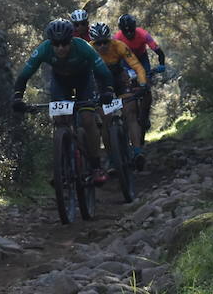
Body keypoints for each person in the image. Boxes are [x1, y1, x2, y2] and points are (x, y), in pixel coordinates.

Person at [11, 18, 115, 185]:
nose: (60, 48)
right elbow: (24, 75)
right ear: (51, 42)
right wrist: (17, 96)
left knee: (88, 120)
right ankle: (63, 166)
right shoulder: (44, 49)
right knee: (60, 121)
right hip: (60, 83)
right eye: (56, 44)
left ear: (71, 40)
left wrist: (108, 91)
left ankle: (96, 167)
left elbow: (104, 72)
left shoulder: (83, 47)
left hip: (84, 81)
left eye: (65, 43)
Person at [89, 21, 148, 169]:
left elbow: (137, 66)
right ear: (93, 43)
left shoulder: (119, 46)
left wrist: (142, 84)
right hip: (100, 83)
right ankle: (112, 158)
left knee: (131, 112)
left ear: (110, 39)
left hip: (119, 80)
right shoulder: (88, 50)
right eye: (98, 43)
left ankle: (137, 152)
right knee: (105, 120)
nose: (102, 46)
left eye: (105, 42)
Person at [115, 13, 166, 133]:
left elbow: (159, 51)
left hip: (142, 58)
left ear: (135, 28)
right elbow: (114, 56)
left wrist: (161, 65)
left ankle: (145, 113)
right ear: (121, 30)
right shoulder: (117, 38)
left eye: (131, 31)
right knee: (126, 83)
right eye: (125, 31)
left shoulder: (143, 34)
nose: (129, 34)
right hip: (126, 61)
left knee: (146, 83)